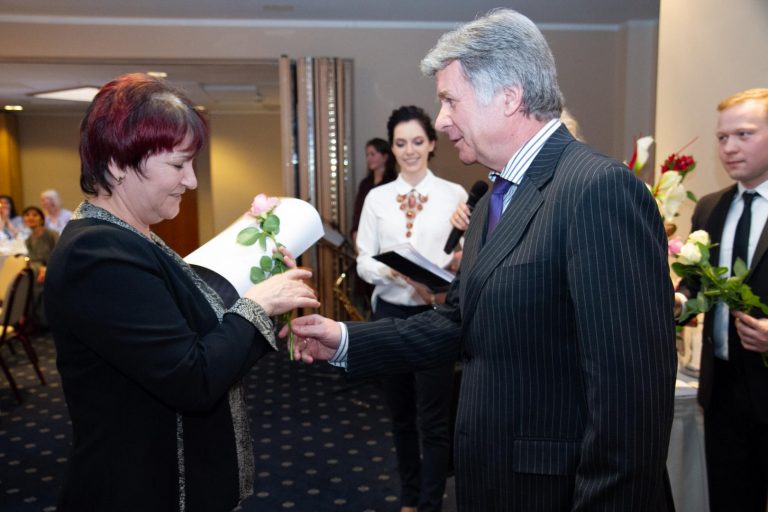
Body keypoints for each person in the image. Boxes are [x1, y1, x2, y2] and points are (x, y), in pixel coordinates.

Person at [291, 9, 676, 511]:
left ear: (509, 96)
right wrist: (344, 339)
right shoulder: (494, 197)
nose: (441, 120)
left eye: (450, 100)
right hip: (493, 480)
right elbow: (458, 322)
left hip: (557, 493)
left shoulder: (597, 189)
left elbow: (632, 400)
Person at [44, 73, 319, 511]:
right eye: (178, 165)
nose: (191, 181)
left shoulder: (130, 237)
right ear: (116, 164)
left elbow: (193, 333)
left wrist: (269, 305)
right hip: (137, 489)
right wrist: (259, 304)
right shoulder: (96, 253)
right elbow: (192, 378)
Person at [356, 105, 467, 512]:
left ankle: (431, 502)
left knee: (434, 420)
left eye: (418, 141)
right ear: (392, 148)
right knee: (400, 417)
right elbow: (363, 261)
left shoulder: (455, 195)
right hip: (390, 316)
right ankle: (408, 497)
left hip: (435, 317)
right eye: (401, 143)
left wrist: (460, 255)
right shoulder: (377, 197)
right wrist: (392, 271)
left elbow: (466, 257)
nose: (410, 150)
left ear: (432, 144)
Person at [675, 88, 768, 512]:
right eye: (722, 137)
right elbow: (696, 285)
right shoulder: (711, 208)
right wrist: (678, 303)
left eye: (743, 134)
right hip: (722, 392)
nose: (729, 147)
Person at [350, 137, 397, 244]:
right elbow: (358, 213)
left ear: (385, 157)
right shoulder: (365, 184)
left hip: (387, 239)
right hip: (365, 236)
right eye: (367, 155)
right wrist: (355, 234)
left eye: (372, 154)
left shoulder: (393, 183)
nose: (368, 158)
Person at [22, 205, 58, 327]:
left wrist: (47, 269)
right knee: (26, 280)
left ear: (41, 219)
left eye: (35, 215)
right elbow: (33, 259)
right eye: (27, 215)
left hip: (54, 268)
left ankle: (43, 320)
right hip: (39, 270)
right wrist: (41, 268)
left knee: (34, 283)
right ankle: (32, 319)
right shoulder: (28, 240)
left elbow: (59, 253)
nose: (30, 218)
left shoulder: (51, 234)